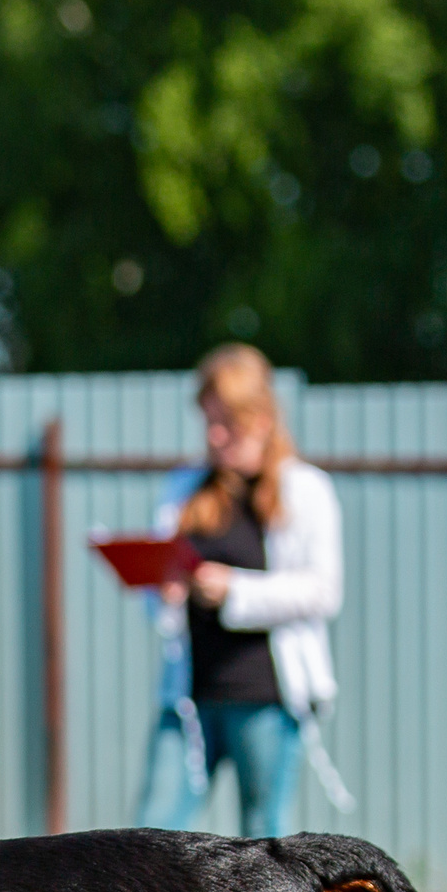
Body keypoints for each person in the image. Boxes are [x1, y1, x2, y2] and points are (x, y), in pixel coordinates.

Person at [135, 343, 347, 837]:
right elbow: (158, 593)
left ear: (262, 419)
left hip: (266, 699)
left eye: (226, 423)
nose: (214, 435)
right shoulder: (185, 486)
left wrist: (233, 591)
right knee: (151, 837)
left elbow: (324, 591)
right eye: (209, 422)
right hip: (189, 697)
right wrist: (164, 593)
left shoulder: (305, 489)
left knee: (263, 840)